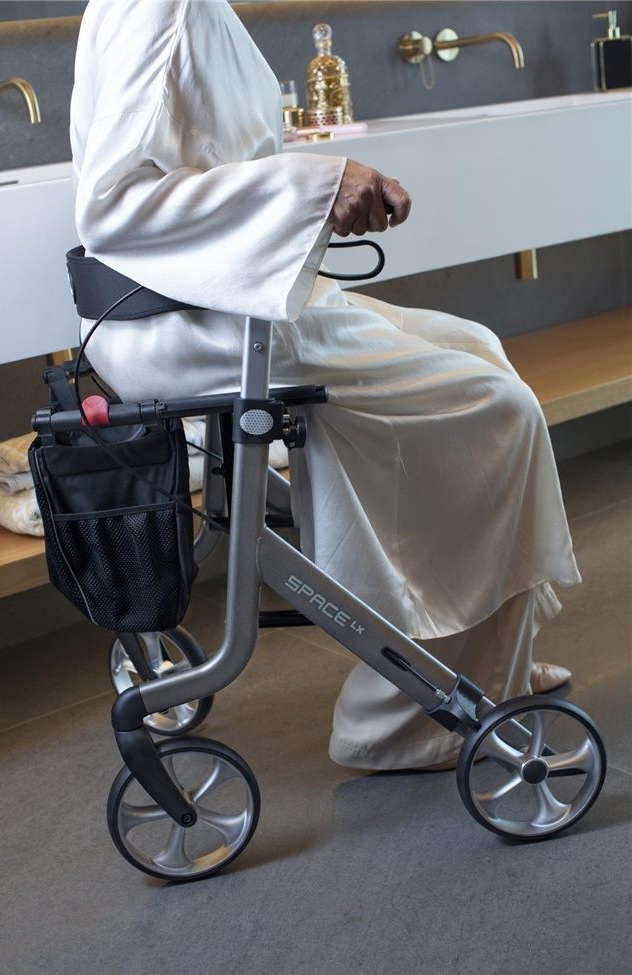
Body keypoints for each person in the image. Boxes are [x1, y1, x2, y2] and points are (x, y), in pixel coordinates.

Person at [70, 0, 580, 770]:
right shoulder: (159, 8)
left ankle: (484, 662)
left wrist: (310, 186)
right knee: (497, 409)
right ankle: (399, 720)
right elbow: (116, 209)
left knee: (474, 346)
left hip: (224, 301)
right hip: (196, 322)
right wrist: (316, 185)